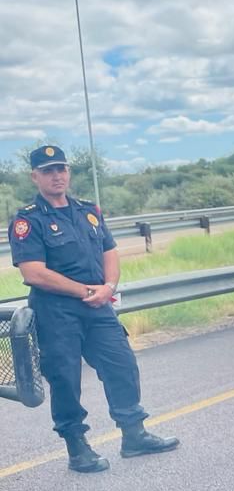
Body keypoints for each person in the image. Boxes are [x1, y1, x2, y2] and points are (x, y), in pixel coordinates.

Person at [8, 146, 179, 473]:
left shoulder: (88, 210)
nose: (57, 175)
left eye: (61, 168)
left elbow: (109, 252)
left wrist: (108, 288)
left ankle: (134, 434)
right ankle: (77, 448)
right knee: (66, 379)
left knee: (122, 363)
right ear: (35, 176)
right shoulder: (28, 219)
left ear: (69, 172)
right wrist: (86, 291)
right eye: (48, 170)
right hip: (56, 312)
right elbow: (33, 272)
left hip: (98, 306)